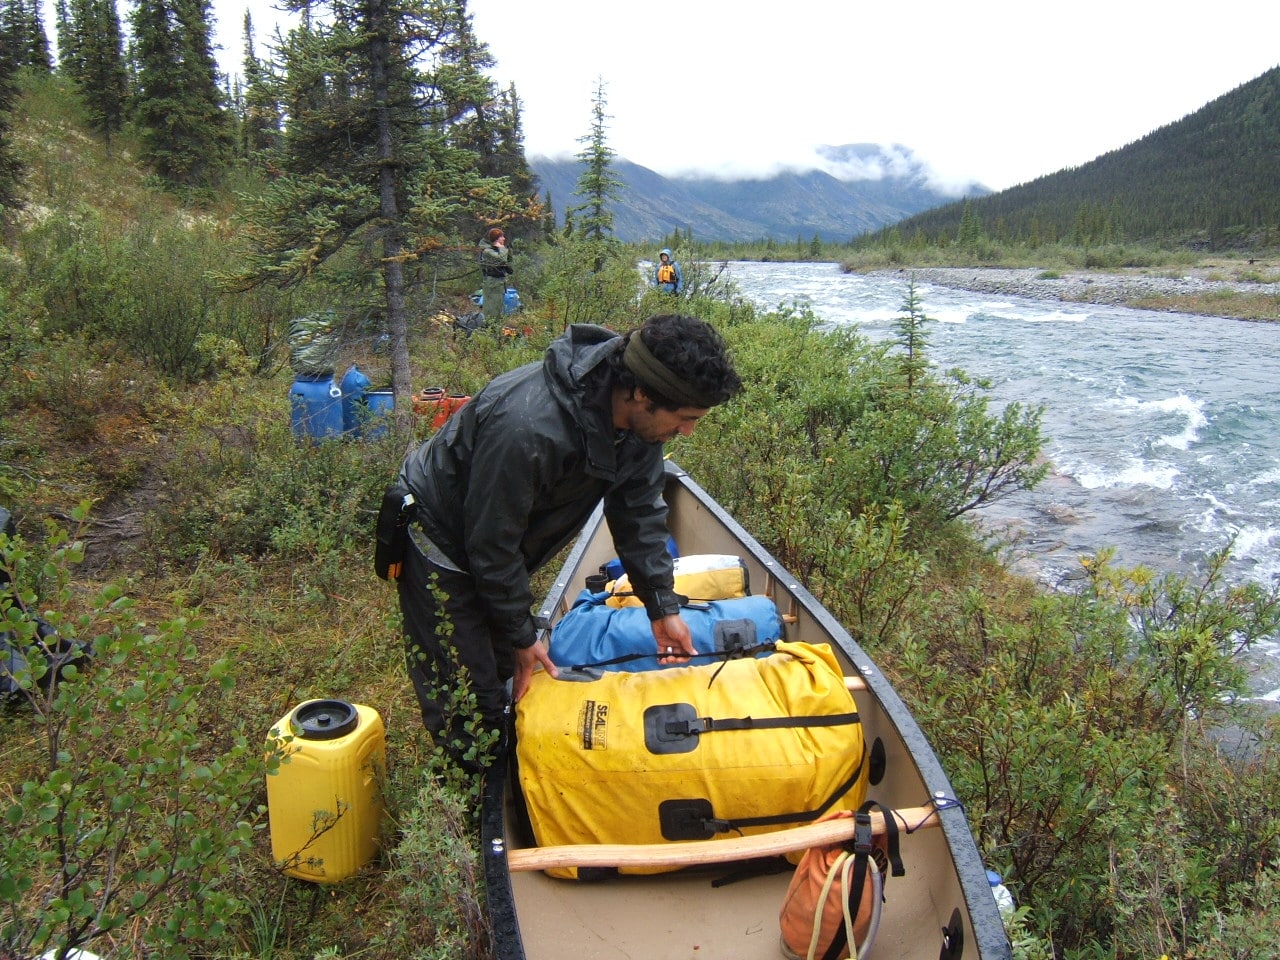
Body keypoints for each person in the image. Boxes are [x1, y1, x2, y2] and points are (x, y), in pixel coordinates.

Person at [396, 313, 742, 772]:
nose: (688, 431)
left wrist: (662, 605)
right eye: (685, 418)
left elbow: (638, 512)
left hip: (494, 538)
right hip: (440, 538)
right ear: (642, 393)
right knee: (466, 694)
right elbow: (491, 544)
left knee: (503, 662)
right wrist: (521, 634)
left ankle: (503, 744)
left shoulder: (638, 424)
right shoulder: (529, 427)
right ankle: (471, 794)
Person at [478, 227, 513, 322]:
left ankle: (494, 327)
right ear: (497, 239)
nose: (504, 239)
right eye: (502, 237)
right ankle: (490, 328)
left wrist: (504, 249)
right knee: (492, 308)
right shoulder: (487, 251)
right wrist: (502, 248)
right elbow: (501, 259)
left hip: (498, 283)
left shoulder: (496, 250)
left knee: (498, 307)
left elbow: (509, 261)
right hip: (492, 283)